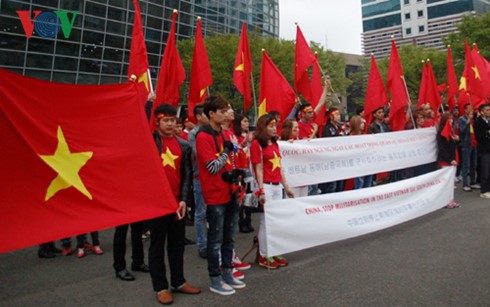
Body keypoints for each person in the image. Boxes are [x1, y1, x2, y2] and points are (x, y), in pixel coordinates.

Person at [149, 104, 201, 305]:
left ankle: (178, 281)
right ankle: (160, 287)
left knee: (177, 245)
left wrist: (183, 199)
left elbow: (187, 174)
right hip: (156, 204)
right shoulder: (151, 142)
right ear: (158, 122)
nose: (170, 124)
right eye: (166, 121)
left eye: (173, 120)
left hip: (177, 204)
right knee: (156, 246)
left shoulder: (184, 145)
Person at [196, 95, 245, 295]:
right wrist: (226, 152)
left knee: (229, 237)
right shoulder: (203, 137)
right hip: (215, 195)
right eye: (222, 111)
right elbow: (213, 167)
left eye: (227, 111)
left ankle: (227, 272)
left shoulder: (224, 135)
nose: (226, 114)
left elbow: (232, 157)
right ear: (211, 114)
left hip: (230, 191)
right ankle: (215, 279)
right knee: (215, 240)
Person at [250, 114, 294, 269]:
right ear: (263, 127)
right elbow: (259, 168)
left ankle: (273, 251)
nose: (275, 129)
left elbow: (279, 167)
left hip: (277, 187)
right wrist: (261, 190)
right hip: (266, 187)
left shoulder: (275, 143)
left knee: (275, 222)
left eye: (275, 126)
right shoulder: (257, 144)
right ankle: (263, 255)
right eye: (271, 126)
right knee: (265, 222)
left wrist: (287, 187)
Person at [188, 104, 209, 259]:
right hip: (199, 177)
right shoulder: (193, 134)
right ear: (199, 117)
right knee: (200, 213)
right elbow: (198, 153)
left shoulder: (213, 131)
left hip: (213, 177)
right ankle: (202, 245)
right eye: (205, 114)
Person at [233, 114, 255, 233]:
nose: (247, 124)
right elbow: (236, 152)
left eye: (247, 121)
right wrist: (244, 143)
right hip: (241, 170)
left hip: (250, 169)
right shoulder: (235, 137)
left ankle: (249, 219)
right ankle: (241, 221)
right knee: (241, 195)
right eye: (244, 121)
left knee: (249, 195)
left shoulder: (251, 136)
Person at [437, 113, 460, 208]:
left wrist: (457, 140)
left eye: (451, 119)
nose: (451, 121)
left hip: (453, 158)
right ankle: (445, 201)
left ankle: (451, 200)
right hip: (446, 161)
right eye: (449, 119)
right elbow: (442, 149)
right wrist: (450, 160)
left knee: (451, 183)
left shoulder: (450, 131)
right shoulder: (441, 133)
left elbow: (452, 145)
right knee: (446, 182)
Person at [321, 107, 346, 193]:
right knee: (332, 185)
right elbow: (328, 142)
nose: (339, 117)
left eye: (339, 115)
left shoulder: (340, 128)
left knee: (341, 184)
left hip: (341, 159)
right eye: (336, 115)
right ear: (331, 117)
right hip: (331, 160)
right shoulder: (327, 129)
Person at [281, 118, 308, 197]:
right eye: (295, 128)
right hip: (291, 180)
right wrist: (287, 144)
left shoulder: (301, 141)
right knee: (292, 203)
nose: (298, 130)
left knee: (303, 202)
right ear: (289, 130)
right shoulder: (283, 144)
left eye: (298, 127)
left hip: (303, 179)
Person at [458, 103, 479, 192]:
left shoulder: (473, 120)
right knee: (466, 165)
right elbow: (461, 130)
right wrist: (468, 120)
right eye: (468, 109)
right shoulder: (461, 119)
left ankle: (473, 182)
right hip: (466, 144)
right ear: (465, 110)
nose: (470, 110)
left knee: (474, 164)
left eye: (472, 109)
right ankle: (465, 184)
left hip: (474, 143)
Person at [350, 115, 374, 189]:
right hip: (358, 166)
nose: (363, 124)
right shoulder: (351, 138)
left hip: (368, 164)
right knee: (359, 185)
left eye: (364, 123)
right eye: (361, 123)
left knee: (368, 185)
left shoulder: (366, 136)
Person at [474, 103, 490, 199]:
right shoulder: (478, 122)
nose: (489, 112)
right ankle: (484, 190)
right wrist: (487, 133)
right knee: (485, 170)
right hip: (484, 150)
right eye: (487, 110)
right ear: (482, 112)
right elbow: (478, 137)